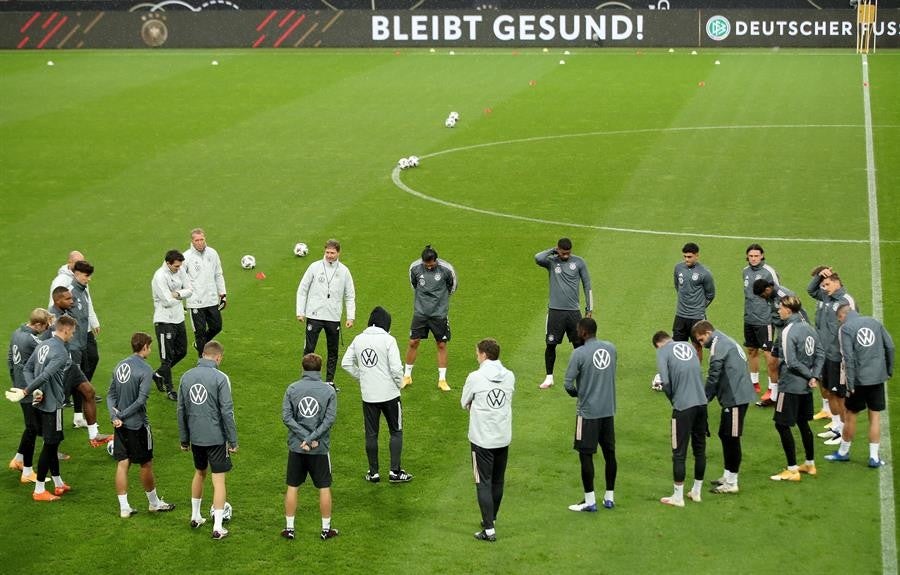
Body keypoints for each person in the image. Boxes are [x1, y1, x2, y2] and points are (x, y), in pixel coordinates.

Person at [106, 332, 176, 517]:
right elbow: (140, 400)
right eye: (149, 347)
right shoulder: (144, 369)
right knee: (146, 464)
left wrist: (114, 415)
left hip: (119, 426)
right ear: (144, 346)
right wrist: (122, 414)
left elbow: (110, 394)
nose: (150, 350)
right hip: (137, 425)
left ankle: (124, 508)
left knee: (123, 464)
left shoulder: (119, 365)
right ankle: (154, 503)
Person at [341, 306, 411, 483]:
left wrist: (363, 376)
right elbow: (396, 368)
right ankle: (395, 472)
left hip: (369, 396)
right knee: (396, 431)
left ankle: (373, 473)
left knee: (371, 434)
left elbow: (346, 363)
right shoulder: (389, 340)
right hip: (390, 395)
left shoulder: (358, 339)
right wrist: (398, 384)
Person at [177, 341, 238, 540]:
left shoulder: (186, 377)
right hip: (216, 437)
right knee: (218, 480)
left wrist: (185, 439)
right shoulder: (221, 378)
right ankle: (218, 527)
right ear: (219, 357)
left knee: (200, 473)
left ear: (203, 355)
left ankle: (195, 516)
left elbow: (181, 410)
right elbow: (227, 411)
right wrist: (233, 440)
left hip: (196, 436)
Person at [825, 304, 894, 467]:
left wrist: (850, 383)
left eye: (839, 319)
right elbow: (890, 347)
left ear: (842, 316)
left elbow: (848, 357)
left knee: (851, 415)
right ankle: (874, 457)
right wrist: (889, 370)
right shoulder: (874, 322)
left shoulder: (846, 329)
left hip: (858, 380)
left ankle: (843, 452)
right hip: (877, 377)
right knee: (875, 416)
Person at [692, 321, 755, 494]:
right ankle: (727, 475)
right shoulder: (723, 340)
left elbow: (714, 375)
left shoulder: (718, 345)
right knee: (724, 434)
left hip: (736, 397)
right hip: (734, 395)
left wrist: (703, 399)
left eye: (701, 339)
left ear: (707, 332)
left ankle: (732, 482)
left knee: (732, 438)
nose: (701, 344)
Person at [461, 338, 514, 542]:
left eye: (477, 353)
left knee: (483, 482)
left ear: (483, 355)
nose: (477, 356)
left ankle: (489, 529)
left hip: (481, 439)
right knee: (498, 480)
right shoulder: (509, 376)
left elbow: (464, 402)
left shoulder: (475, 377)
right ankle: (490, 518)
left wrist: (475, 405)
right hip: (502, 436)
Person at [281, 353, 339, 541]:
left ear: (303, 367)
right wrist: (312, 438)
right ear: (320, 369)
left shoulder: (292, 389)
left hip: (297, 447)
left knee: (292, 486)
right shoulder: (328, 391)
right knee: (324, 487)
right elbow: (329, 420)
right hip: (319, 448)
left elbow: (287, 418)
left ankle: (289, 528)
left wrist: (304, 438)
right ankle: (325, 529)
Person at [48, 285, 112, 447]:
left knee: (88, 391)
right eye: (68, 298)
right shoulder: (52, 319)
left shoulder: (66, 312)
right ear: (57, 300)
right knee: (55, 407)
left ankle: (94, 434)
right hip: (58, 368)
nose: (72, 300)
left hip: (71, 365)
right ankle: (51, 448)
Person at [563, 318, 617, 511]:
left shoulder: (579, 353)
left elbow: (568, 384)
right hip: (608, 411)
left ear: (583, 333)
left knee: (586, 456)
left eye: (578, 329)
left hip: (587, 413)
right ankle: (609, 497)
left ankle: (590, 501)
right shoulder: (611, 348)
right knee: (610, 454)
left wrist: (580, 394)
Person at [22, 316, 77, 501]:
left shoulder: (43, 344)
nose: (73, 335)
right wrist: (29, 389)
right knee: (50, 444)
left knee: (51, 443)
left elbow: (26, 369)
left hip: (39, 402)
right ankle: (39, 490)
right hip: (52, 404)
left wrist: (33, 389)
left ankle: (58, 483)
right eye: (73, 331)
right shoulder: (60, 351)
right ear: (66, 330)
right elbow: (46, 375)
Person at [770, 296, 824, 482]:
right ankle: (810, 463)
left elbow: (791, 362)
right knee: (803, 423)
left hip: (791, 385)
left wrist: (810, 376)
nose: (778, 310)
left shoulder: (787, 331)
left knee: (781, 424)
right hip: (806, 388)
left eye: (781, 308)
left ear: (789, 310)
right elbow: (820, 354)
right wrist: (814, 376)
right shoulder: (809, 328)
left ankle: (792, 469)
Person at [652, 330, 707, 507]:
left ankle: (678, 497)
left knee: (679, 452)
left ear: (658, 344)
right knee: (699, 449)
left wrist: (672, 399)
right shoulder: (689, 346)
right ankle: (696, 492)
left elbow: (665, 382)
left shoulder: (662, 352)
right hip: (701, 402)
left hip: (683, 406)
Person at [296, 239, 356, 389]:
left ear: (338, 253)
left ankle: (329, 381)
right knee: (309, 349)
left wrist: (350, 316)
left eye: (332, 253)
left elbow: (349, 295)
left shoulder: (344, 271)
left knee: (333, 350)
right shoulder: (314, 267)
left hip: (333, 317)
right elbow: (302, 289)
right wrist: (300, 312)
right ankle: (305, 379)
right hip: (314, 315)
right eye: (327, 252)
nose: (329, 255)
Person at [534, 238, 594, 389]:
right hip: (555, 311)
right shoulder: (552, 262)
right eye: (563, 252)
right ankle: (549, 377)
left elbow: (587, 285)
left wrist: (589, 308)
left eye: (568, 253)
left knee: (579, 345)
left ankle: (583, 376)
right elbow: (538, 257)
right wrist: (551, 251)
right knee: (551, 344)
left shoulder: (579, 262)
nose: (566, 256)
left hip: (573, 312)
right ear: (558, 250)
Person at [806, 267, 856, 445]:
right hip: (823, 354)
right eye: (823, 285)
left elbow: (853, 328)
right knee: (828, 391)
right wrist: (820, 276)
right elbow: (810, 290)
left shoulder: (845, 301)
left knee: (839, 395)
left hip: (838, 356)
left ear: (837, 283)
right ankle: (836, 426)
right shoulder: (824, 296)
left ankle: (844, 432)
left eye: (827, 284)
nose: (824, 287)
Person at [403, 245, 458, 392]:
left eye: (431, 264)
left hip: (439, 314)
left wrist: (441, 300)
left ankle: (442, 380)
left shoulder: (446, 269)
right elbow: (414, 285)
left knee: (441, 344)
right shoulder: (415, 268)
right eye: (426, 264)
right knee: (413, 342)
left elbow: (453, 287)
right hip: (420, 313)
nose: (428, 267)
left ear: (436, 260)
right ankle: (407, 376)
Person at [7, 308, 53, 484]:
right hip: (28, 388)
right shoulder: (33, 340)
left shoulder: (16, 333)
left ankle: (18, 459)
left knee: (31, 426)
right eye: (46, 326)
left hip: (19, 385)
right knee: (32, 427)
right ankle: (27, 471)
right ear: (38, 324)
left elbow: (10, 360)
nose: (46, 329)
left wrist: (15, 381)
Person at [752, 279, 805, 407]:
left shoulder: (784, 295)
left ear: (768, 289)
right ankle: (774, 396)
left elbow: (800, 314)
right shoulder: (770, 296)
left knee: (790, 366)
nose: (762, 298)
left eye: (762, 295)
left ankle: (795, 398)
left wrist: (801, 334)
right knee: (772, 362)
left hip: (792, 334)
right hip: (781, 333)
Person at [49, 250, 101, 382]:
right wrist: (60, 333)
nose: (89, 279)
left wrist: (93, 321)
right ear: (70, 263)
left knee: (91, 359)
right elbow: (54, 308)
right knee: (72, 369)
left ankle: (83, 390)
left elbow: (87, 303)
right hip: (72, 336)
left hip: (84, 331)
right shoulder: (62, 282)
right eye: (78, 263)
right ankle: (67, 395)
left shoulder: (82, 284)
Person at [152, 249, 193, 401]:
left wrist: (177, 293)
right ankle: (170, 389)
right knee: (166, 358)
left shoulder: (180, 270)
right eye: (176, 266)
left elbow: (190, 290)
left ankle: (158, 374)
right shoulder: (159, 276)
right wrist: (180, 294)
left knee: (182, 351)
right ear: (168, 263)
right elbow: (166, 301)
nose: (179, 268)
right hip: (164, 321)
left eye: (180, 266)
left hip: (178, 318)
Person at [741, 244, 780, 400]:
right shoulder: (745, 272)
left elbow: (777, 293)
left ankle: (772, 387)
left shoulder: (769, 272)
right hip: (749, 318)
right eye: (751, 256)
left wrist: (774, 315)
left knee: (768, 354)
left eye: (756, 256)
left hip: (765, 320)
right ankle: (754, 382)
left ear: (762, 256)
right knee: (751, 350)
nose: (753, 258)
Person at [184, 228, 227, 357]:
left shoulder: (212, 253)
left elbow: (218, 274)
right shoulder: (186, 257)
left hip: (211, 299)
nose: (200, 242)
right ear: (192, 241)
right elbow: (181, 279)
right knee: (200, 332)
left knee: (217, 327)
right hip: (196, 301)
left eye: (202, 239)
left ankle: (199, 344)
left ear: (205, 239)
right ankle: (201, 359)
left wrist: (223, 294)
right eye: (197, 240)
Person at [672, 242, 715, 360]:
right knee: (678, 346)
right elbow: (678, 286)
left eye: (689, 257)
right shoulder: (678, 268)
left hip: (696, 316)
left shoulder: (705, 273)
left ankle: (695, 373)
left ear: (697, 256)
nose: (687, 259)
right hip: (680, 314)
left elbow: (710, 294)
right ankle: (680, 372)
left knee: (697, 346)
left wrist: (700, 307)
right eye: (685, 256)